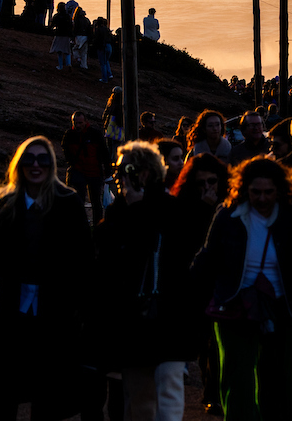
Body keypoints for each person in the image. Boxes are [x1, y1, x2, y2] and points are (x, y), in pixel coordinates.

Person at [0, 136, 94, 421]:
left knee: (48, 386)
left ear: (51, 164)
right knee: (6, 381)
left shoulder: (68, 202)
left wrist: (84, 305)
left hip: (55, 307)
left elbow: (83, 259)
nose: (35, 165)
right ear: (19, 164)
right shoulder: (3, 202)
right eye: (29, 158)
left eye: (42, 159)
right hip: (11, 304)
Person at [191, 157, 292, 421]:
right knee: (238, 380)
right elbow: (207, 257)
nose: (262, 198)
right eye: (256, 192)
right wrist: (191, 292)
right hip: (235, 304)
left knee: (282, 378)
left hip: (282, 304)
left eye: (268, 192)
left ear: (280, 190)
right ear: (244, 189)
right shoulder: (228, 215)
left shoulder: (291, 215)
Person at [96, 141, 194, 421]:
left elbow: (174, 255)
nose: (120, 177)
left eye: (126, 170)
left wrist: (138, 211)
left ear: (146, 172)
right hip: (133, 318)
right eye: (118, 170)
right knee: (139, 399)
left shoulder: (170, 208)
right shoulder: (117, 211)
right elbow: (108, 257)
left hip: (166, 314)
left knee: (168, 394)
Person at [170, 154, 230, 414]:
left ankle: (217, 392)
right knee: (205, 340)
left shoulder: (229, 205)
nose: (207, 187)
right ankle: (211, 391)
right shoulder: (183, 205)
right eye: (200, 183)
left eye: (212, 181)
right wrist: (204, 208)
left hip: (223, 279)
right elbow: (185, 240)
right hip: (196, 279)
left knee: (219, 340)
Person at [61, 111, 113, 224]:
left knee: (95, 202)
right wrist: (72, 163)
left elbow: (104, 153)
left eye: (80, 123)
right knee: (79, 201)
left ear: (85, 122)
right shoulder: (69, 135)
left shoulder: (95, 134)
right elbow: (66, 151)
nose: (78, 125)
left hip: (94, 172)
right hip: (79, 171)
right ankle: (81, 225)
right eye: (75, 123)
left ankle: (97, 226)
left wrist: (108, 170)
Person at [49, 1, 73, 70]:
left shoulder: (57, 16)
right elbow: (71, 25)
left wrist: (50, 29)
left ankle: (60, 66)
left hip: (59, 34)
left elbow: (52, 25)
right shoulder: (68, 16)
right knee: (67, 51)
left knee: (59, 51)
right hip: (67, 35)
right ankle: (68, 63)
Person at [92, 16, 114, 83]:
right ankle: (109, 75)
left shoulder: (98, 30)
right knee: (106, 61)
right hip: (109, 46)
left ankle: (104, 79)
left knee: (103, 63)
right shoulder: (107, 29)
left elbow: (97, 39)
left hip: (102, 47)